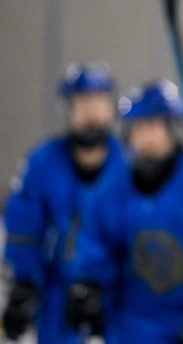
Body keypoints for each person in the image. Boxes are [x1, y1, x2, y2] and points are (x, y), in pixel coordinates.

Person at [65, 79, 183, 344]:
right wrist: (89, 285)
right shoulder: (115, 188)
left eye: (155, 126)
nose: (147, 138)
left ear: (173, 129)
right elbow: (96, 242)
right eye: (139, 128)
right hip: (131, 323)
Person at [2, 61, 126, 343]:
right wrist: (25, 283)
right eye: (82, 103)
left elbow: (142, 237)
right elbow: (24, 229)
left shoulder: (130, 167)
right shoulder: (42, 162)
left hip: (118, 298)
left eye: (98, 102)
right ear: (67, 109)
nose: (91, 113)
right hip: (56, 295)